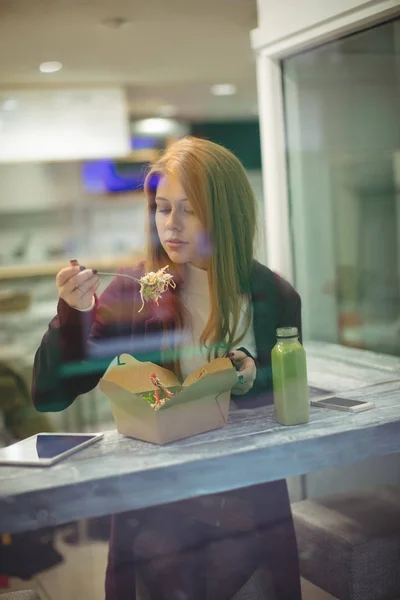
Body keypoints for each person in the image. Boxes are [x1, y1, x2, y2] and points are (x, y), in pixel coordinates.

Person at [32, 137, 303, 600]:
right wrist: (71, 316)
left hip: (248, 512)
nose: (171, 226)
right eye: (162, 208)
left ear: (226, 214)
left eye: (189, 210)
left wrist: (251, 374)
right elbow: (51, 394)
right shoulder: (132, 293)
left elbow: (289, 396)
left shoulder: (273, 296)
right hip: (154, 521)